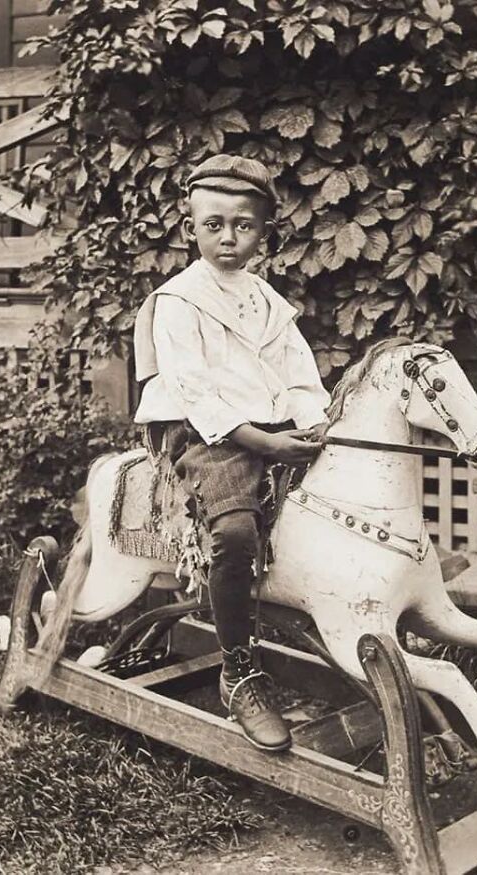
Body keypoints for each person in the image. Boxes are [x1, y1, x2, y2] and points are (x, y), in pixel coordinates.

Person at [133, 154, 331, 751]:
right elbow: (193, 391)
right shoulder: (178, 301)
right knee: (239, 528)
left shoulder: (267, 300)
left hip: (270, 426)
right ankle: (239, 669)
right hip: (204, 433)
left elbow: (300, 376)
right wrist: (263, 442)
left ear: (264, 232)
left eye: (243, 225)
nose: (228, 238)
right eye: (214, 224)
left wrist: (316, 427)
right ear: (189, 226)